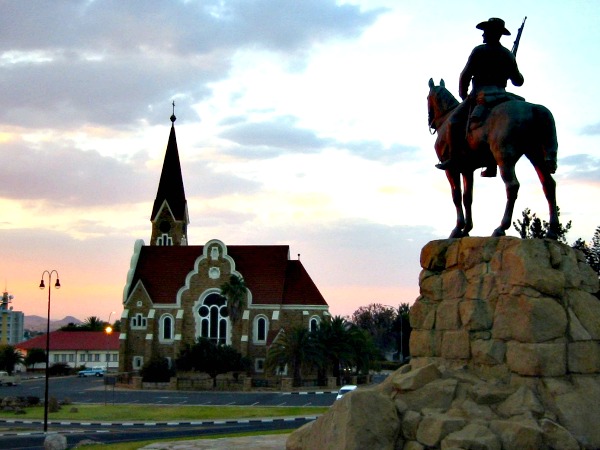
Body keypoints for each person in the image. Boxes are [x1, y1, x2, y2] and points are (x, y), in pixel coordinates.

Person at [436, 18, 524, 176]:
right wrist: (511, 62)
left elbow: (465, 75)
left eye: (486, 31)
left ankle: (454, 159)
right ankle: (492, 166)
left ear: (491, 33)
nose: (483, 34)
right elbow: (518, 81)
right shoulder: (506, 55)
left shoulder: (480, 51)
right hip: (502, 95)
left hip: (480, 94)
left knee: (453, 123)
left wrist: (464, 95)